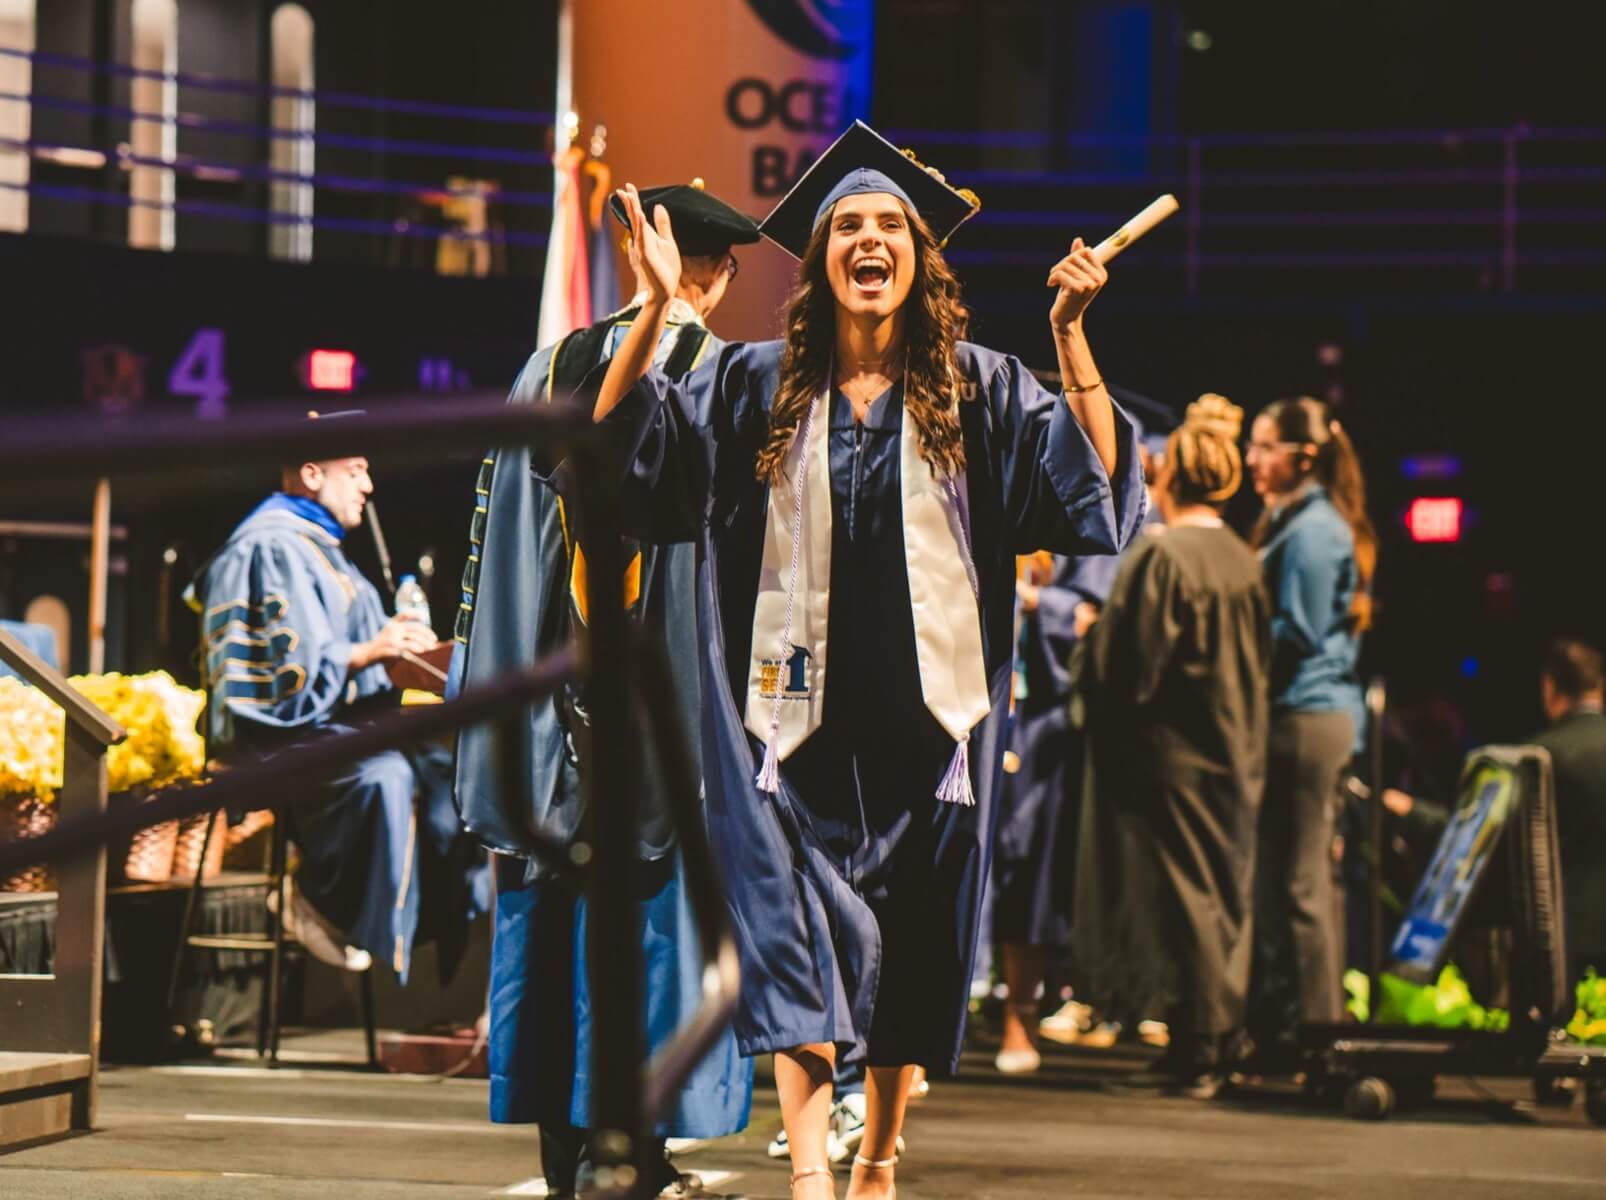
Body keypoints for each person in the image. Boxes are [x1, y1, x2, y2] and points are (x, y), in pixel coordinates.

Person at [592, 121, 1145, 1199]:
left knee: (916, 942)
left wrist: (1070, 333)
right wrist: (655, 311)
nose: (867, 238)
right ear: (818, 260)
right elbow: (616, 463)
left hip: (933, 728)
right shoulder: (752, 387)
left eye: (888, 222)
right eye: (846, 224)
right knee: (790, 940)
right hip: (781, 732)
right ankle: (808, 1176)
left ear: (919, 255)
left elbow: (1091, 495)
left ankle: (879, 1161)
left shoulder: (981, 389)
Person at [450, 183, 760, 1199]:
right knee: (642, 943)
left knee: (557, 941)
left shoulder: (543, 363)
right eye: (717, 265)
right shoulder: (696, 375)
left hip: (535, 706)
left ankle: (588, 1158)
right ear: (704, 273)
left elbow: (492, 554)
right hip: (638, 712)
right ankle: (619, 1159)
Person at [191, 441, 487, 981]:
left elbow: (356, 656)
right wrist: (373, 651)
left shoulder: (323, 550)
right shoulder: (271, 546)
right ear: (309, 474)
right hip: (274, 738)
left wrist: (411, 656)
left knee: (450, 775)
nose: (367, 487)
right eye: (355, 472)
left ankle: (417, 932)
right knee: (384, 775)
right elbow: (284, 679)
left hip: (330, 728)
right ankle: (316, 902)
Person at [1070, 395, 1271, 1097]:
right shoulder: (1243, 558)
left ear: (1165, 478)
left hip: (1174, 755)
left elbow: (1129, 669)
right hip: (1236, 746)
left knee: (1184, 900)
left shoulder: (1166, 557)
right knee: (1220, 895)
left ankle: (1201, 1049)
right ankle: (1205, 1038)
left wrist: (1090, 642)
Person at [1244, 395, 1376, 1053]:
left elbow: (1293, 630)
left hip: (1307, 715)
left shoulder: (1316, 530)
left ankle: (1321, 1034)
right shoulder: (1294, 520)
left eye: (1265, 447)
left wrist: (1221, 647)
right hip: (1295, 714)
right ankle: (1293, 1024)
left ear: (1302, 457)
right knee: (1286, 879)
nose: (1251, 459)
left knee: (1301, 881)